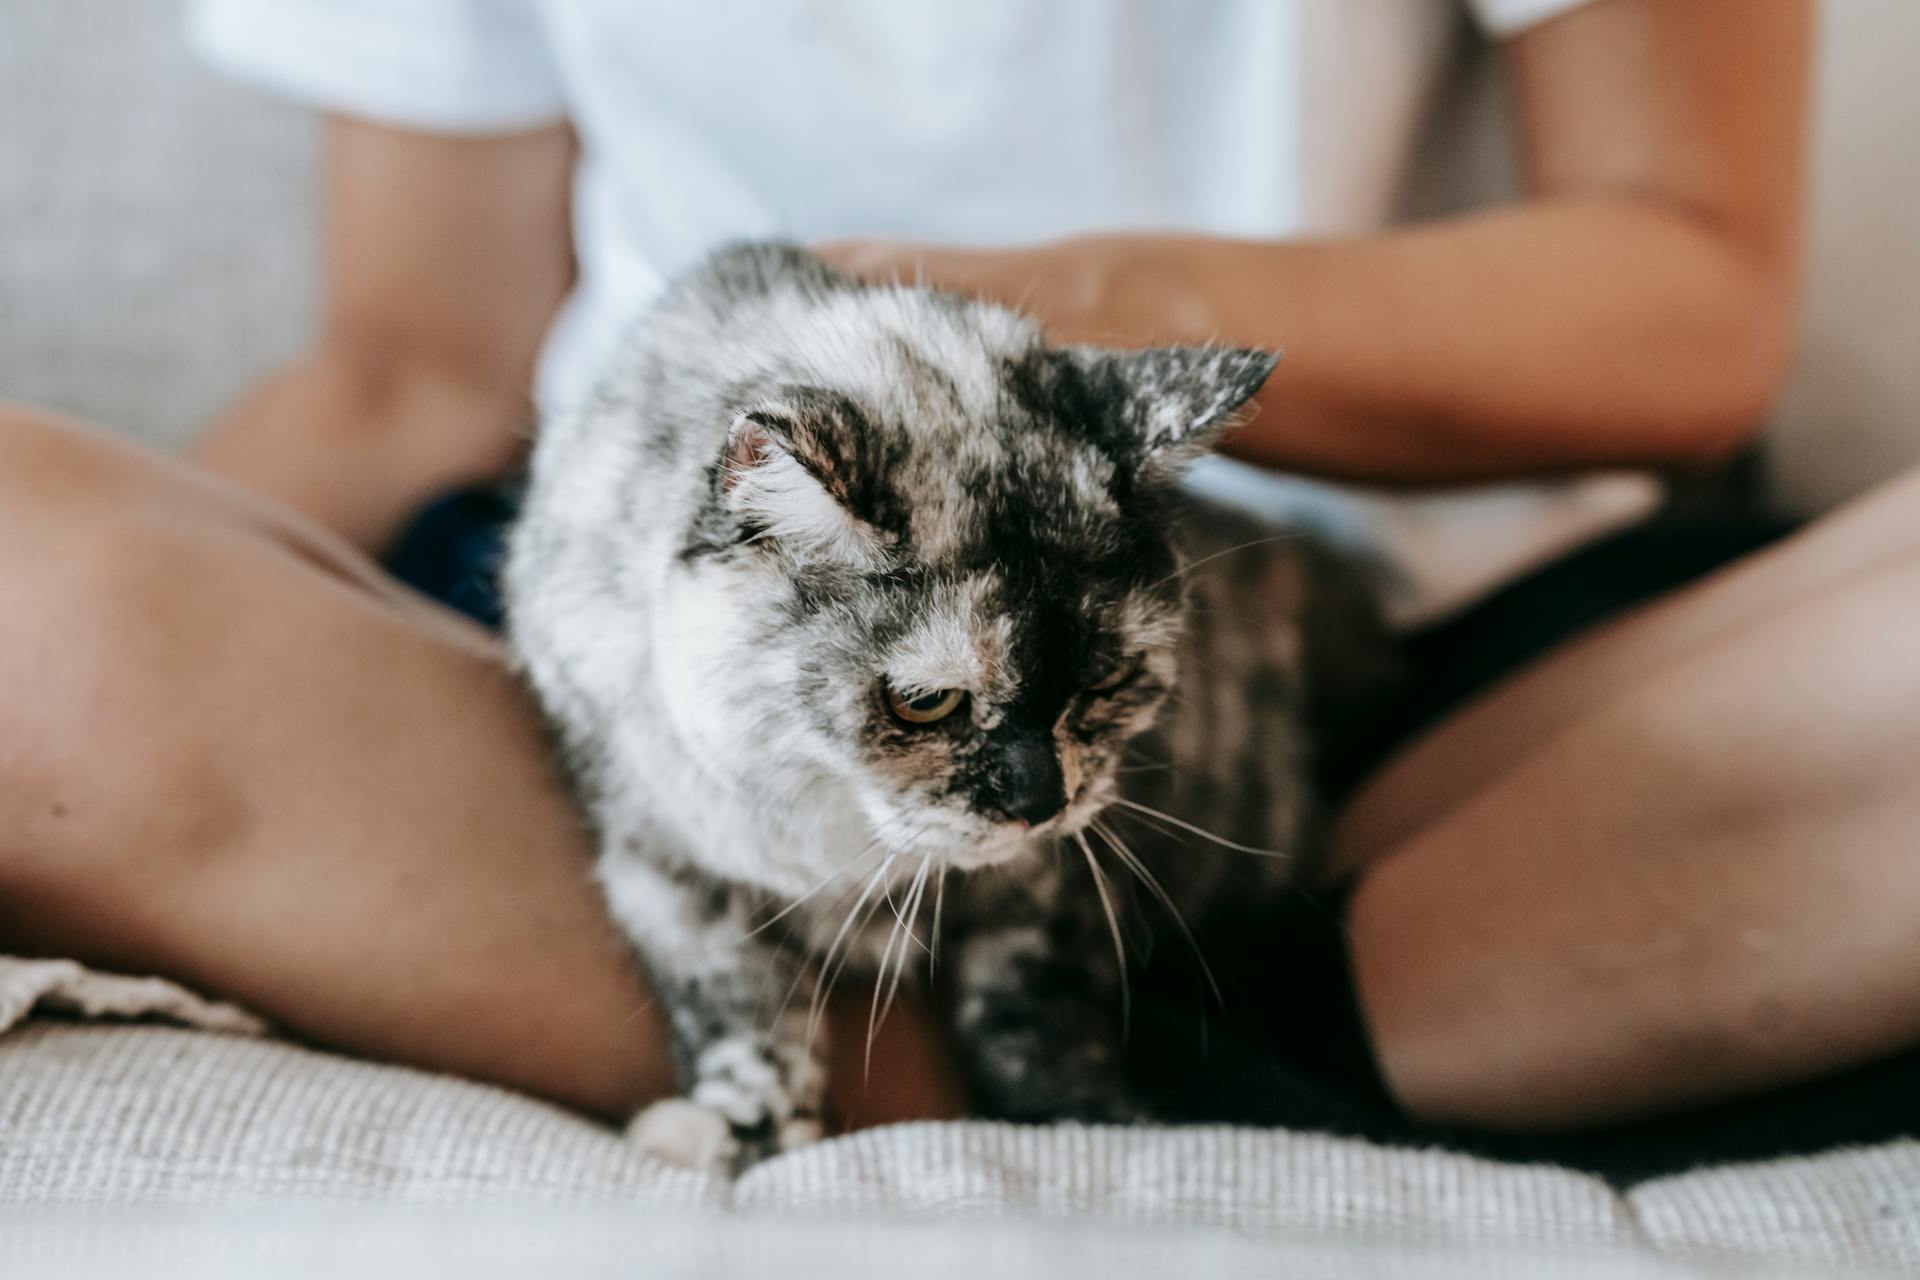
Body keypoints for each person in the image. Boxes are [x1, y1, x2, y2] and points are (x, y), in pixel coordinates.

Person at [12, 0, 1913, 1145]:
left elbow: (1686, 295)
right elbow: (412, 368)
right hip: (702, 680)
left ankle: (1318, 998)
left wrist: (1078, 333)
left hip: (1419, 679)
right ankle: (1274, 1021)